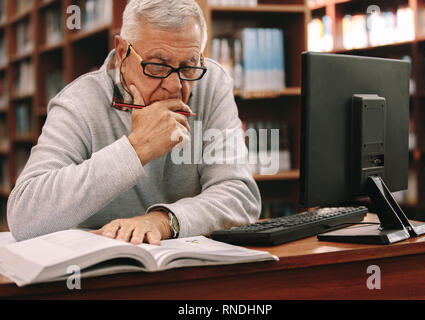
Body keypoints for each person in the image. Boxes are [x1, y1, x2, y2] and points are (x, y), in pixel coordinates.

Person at [7, 0, 261, 244]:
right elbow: (24, 217)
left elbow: (239, 196)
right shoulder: (79, 102)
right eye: (158, 66)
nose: (174, 86)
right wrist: (135, 149)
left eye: (187, 67)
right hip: (99, 277)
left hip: (189, 271)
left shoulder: (210, 83)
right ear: (121, 53)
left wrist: (162, 222)